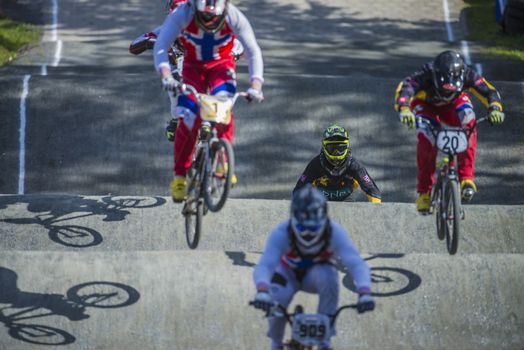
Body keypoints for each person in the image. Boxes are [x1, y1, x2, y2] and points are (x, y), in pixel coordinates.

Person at [154, 0, 264, 202]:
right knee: (188, 119)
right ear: (194, 8)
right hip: (192, 69)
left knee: (224, 110)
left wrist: (256, 84)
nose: (209, 23)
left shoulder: (233, 15)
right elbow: (161, 45)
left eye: (214, 19)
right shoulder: (182, 14)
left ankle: (222, 160)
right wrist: (166, 74)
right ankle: (179, 176)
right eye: (203, 18)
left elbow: (252, 50)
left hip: (221, 68)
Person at [252, 185, 375, 350]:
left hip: (318, 273)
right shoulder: (281, 233)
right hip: (288, 273)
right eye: (303, 227)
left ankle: (325, 342)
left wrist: (364, 291)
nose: (308, 234)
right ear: (293, 218)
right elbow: (266, 265)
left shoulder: (335, 232)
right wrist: (262, 290)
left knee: (329, 278)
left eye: (314, 227)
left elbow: (355, 263)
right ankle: (276, 344)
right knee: (276, 303)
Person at [394, 50, 505, 213]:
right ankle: (424, 192)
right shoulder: (426, 74)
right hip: (426, 105)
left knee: (469, 120)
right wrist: (404, 109)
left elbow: (489, 91)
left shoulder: (468, 74)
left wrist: (495, 108)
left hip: (455, 103)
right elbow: (405, 88)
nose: (446, 92)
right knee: (427, 138)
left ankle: (467, 177)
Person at [129, 0, 245, 143]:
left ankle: (217, 143)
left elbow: (240, 43)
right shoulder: (168, 28)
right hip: (179, 75)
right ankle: (176, 118)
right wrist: (153, 42)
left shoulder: (210, 26)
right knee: (175, 87)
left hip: (205, 69)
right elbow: (134, 46)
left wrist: (232, 54)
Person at [293, 124, 381, 203]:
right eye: (332, 148)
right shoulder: (315, 164)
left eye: (340, 148)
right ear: (324, 147)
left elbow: (372, 190)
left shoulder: (355, 165)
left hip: (346, 199)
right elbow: (299, 189)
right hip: (320, 200)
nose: (336, 152)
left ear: (347, 146)